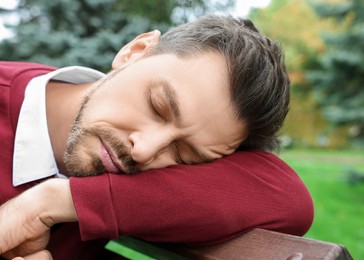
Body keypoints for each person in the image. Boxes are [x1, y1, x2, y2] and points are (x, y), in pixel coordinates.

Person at [0, 15, 313, 259]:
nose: (143, 151)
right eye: (158, 106)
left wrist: (52, 201)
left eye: (183, 155)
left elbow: (288, 199)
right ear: (135, 52)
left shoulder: (125, 184)